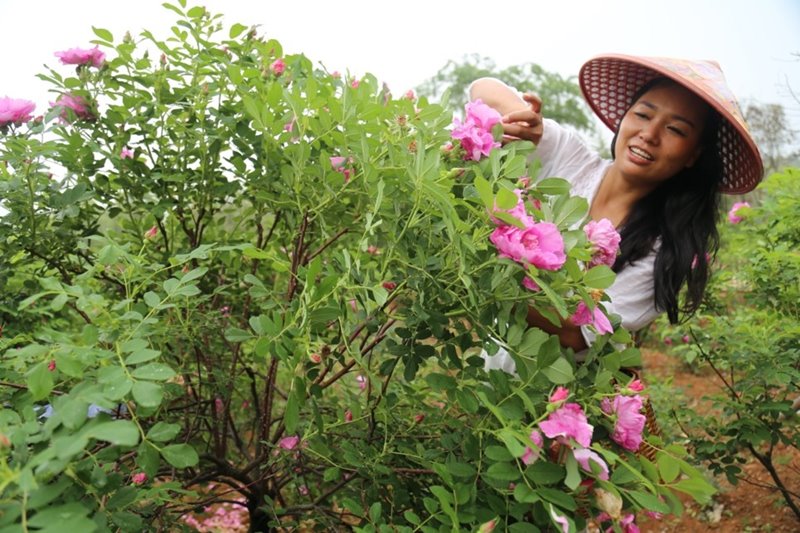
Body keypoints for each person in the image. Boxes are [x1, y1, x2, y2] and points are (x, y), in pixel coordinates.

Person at [472, 54, 763, 369]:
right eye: (642, 114)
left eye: (676, 130)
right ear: (625, 117)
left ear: (693, 155)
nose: (649, 135)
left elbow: (574, 333)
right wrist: (521, 116)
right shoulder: (569, 157)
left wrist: (482, 268)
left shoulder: (662, 253)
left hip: (546, 403)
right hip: (486, 376)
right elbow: (482, 88)